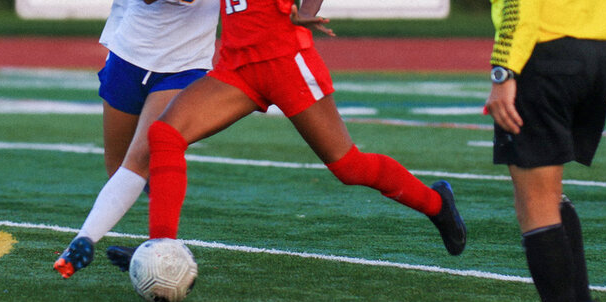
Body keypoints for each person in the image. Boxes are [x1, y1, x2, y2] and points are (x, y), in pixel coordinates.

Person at [103, 0, 467, 272]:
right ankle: (160, 248)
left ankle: (436, 203)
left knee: (348, 166)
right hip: (238, 64)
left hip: (284, 58)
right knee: (164, 134)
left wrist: (306, 8)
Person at [484, 0, 606, 302]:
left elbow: (519, 5)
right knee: (549, 193)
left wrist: (504, 70)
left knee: (535, 203)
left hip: (545, 54)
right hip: (599, 53)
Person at [53, 0, 219, 278]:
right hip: (128, 55)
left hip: (183, 65)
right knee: (118, 168)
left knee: (142, 157)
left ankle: (92, 241)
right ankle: (157, 242)